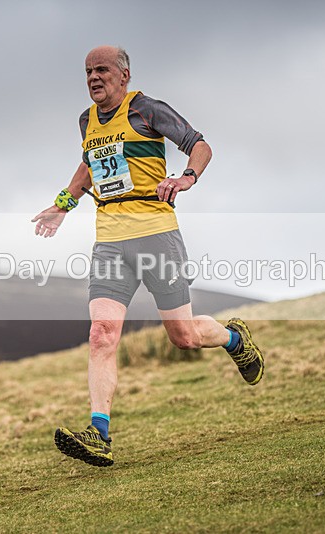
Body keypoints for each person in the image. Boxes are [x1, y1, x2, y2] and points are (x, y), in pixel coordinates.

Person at [31, 45, 264, 467]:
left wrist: (186, 177)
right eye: (88, 72)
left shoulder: (147, 110)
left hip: (157, 234)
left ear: (124, 74)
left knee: (184, 337)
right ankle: (99, 433)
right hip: (109, 241)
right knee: (101, 333)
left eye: (102, 70)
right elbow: (88, 165)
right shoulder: (87, 121)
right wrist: (62, 205)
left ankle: (234, 338)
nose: (93, 78)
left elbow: (200, 145)